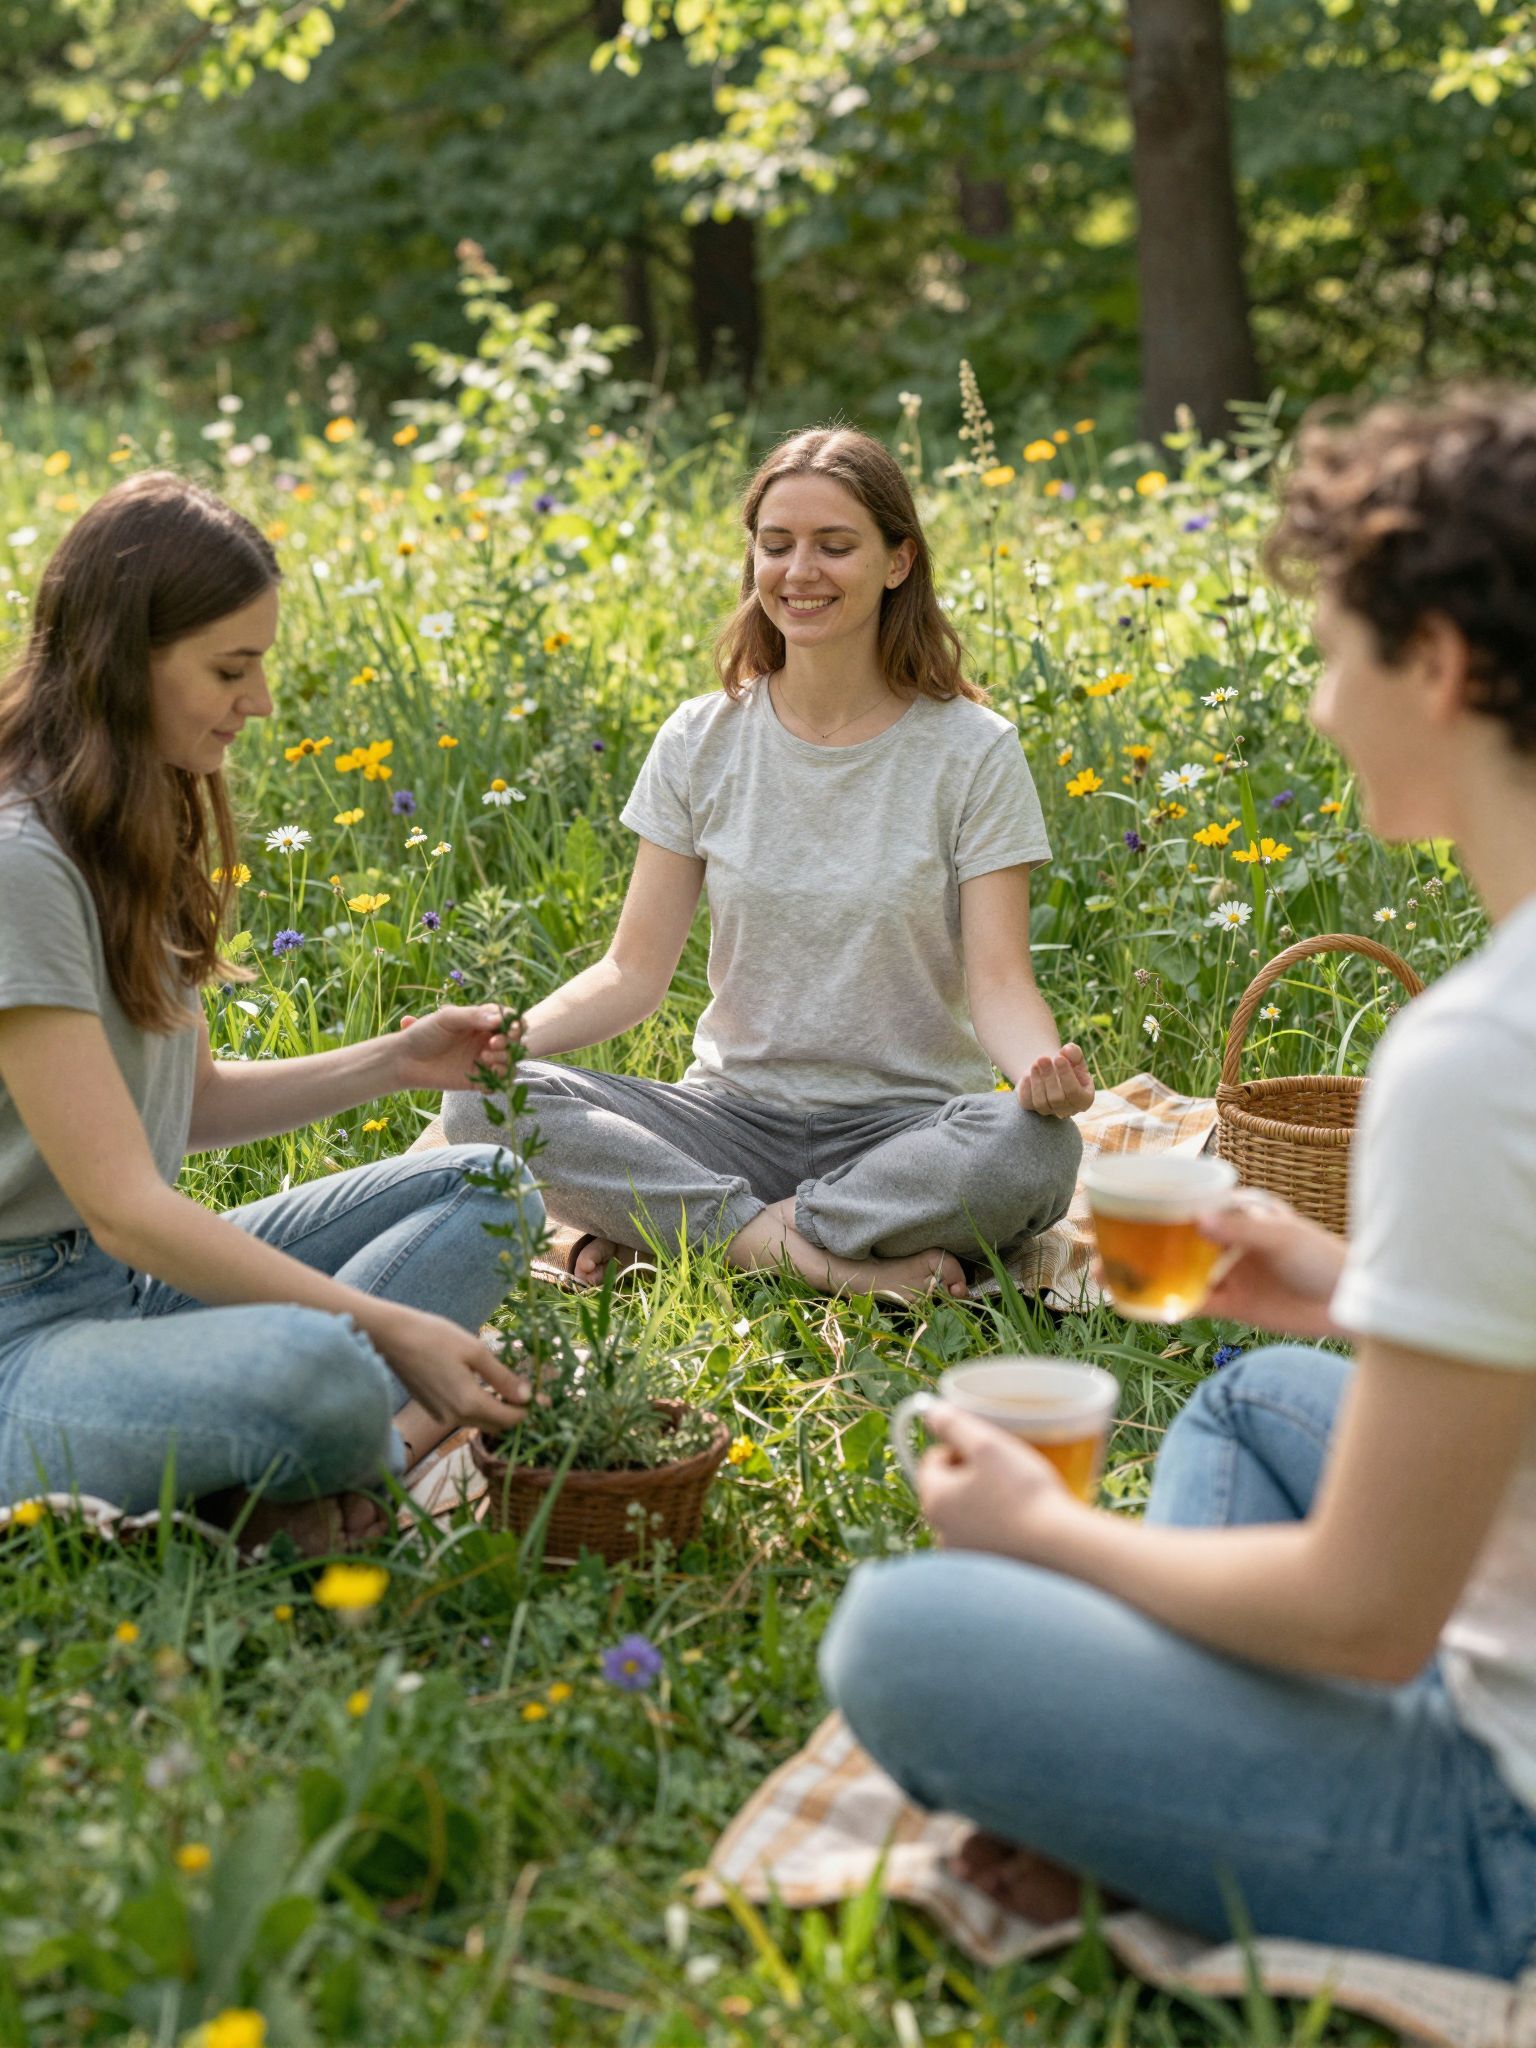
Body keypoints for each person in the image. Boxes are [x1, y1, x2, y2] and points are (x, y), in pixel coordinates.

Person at [819, 388, 1536, 1977]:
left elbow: (1370, 1619)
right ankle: (1173, 1756)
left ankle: (1142, 1790)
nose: (1320, 696)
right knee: (1256, 1395)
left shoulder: (1479, 1053)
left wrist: (1042, 1534)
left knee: (895, 1636)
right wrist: (1359, 1292)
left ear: (1437, 668)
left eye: (1337, 648)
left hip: (1508, 1828)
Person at [0, 471, 539, 1551]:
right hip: (23, 1335)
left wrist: (396, 1060)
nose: (260, 701)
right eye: (229, 669)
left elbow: (183, 1106)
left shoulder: (135, 816)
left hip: (130, 1290)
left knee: (489, 1183)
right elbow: (125, 1203)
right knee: (326, 1367)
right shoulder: (23, 862)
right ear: (122, 661)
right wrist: (386, 1326)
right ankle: (361, 1459)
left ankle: (276, 1484)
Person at [443, 426, 1088, 1301]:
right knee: (482, 1105)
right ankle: (820, 1259)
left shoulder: (973, 751)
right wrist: (503, 1045)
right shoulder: (699, 739)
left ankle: (687, 1233)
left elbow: (1002, 984)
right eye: (775, 545)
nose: (799, 571)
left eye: (835, 546)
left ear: (898, 562)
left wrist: (1043, 1073)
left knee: (1035, 1152)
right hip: (728, 1119)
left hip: (907, 1135)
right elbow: (632, 972)